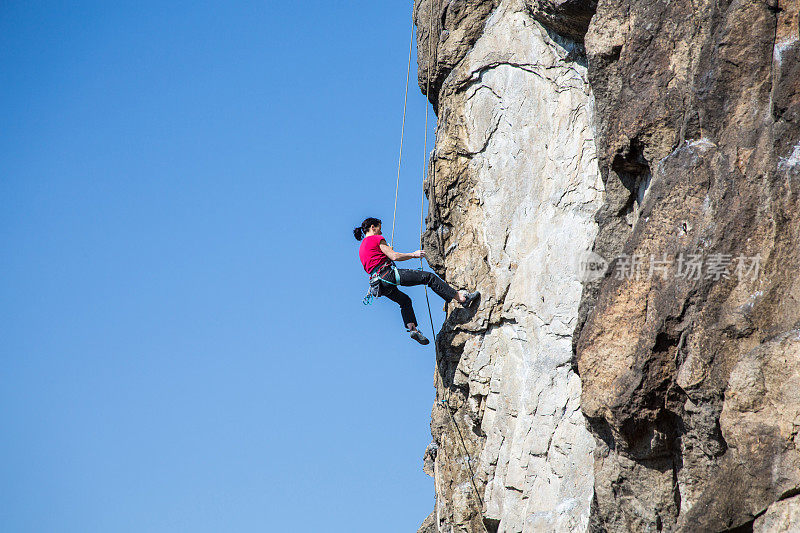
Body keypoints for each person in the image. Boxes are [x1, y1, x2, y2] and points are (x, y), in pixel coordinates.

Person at [354, 217, 479, 345]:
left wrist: (385, 253)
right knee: (429, 277)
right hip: (387, 275)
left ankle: (413, 329)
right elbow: (394, 256)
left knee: (405, 301)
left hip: (378, 284)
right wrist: (414, 254)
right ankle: (461, 298)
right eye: (379, 228)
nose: (381, 232)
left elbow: (373, 262)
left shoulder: (362, 247)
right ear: (373, 227)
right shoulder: (376, 239)